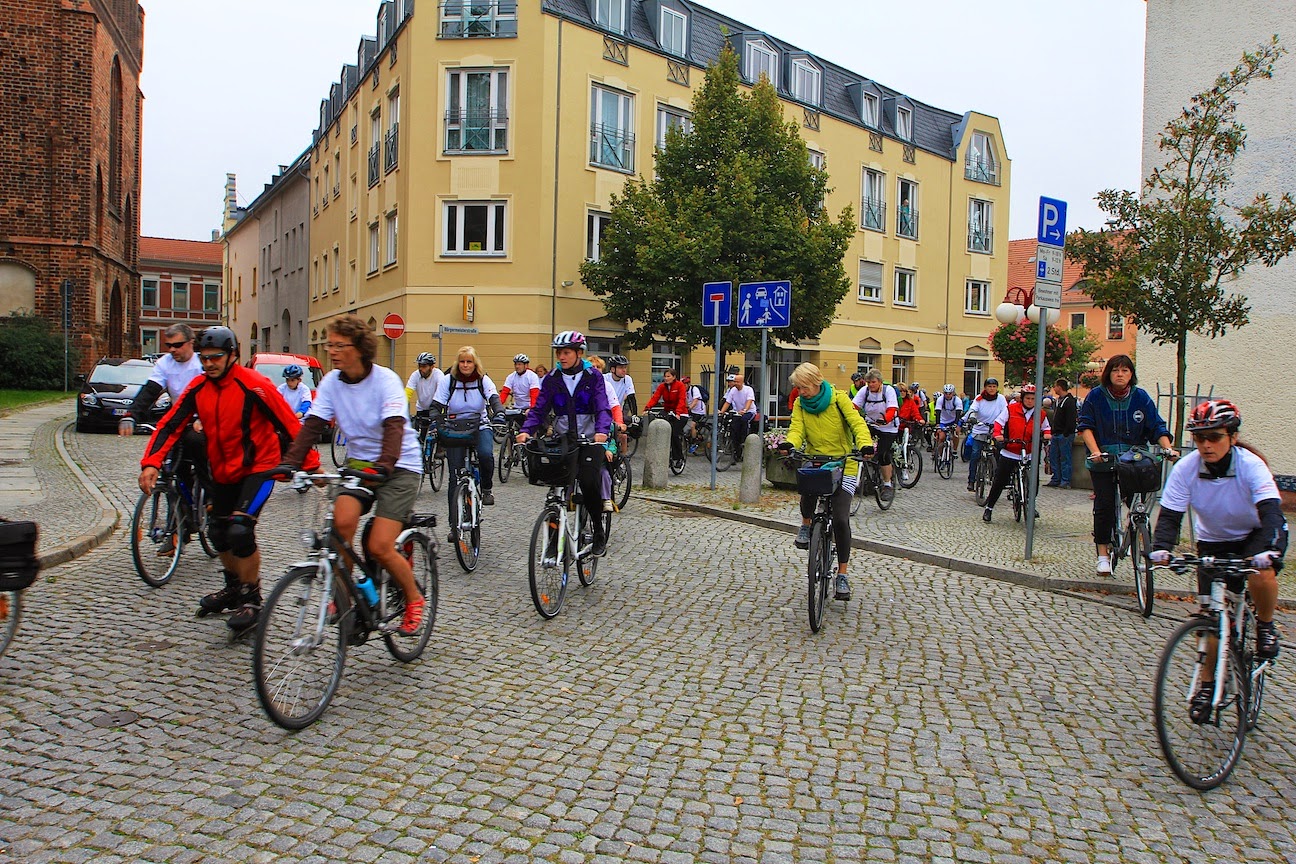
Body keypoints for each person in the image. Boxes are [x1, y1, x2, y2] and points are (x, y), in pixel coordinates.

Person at [138, 326, 319, 631]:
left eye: (216, 358)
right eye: (204, 358)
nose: (209, 364)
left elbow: (288, 423)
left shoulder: (254, 385)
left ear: (232, 355)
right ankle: (234, 585)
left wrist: (311, 465)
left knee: (239, 531)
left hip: (258, 468)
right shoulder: (198, 388)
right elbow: (170, 425)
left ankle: (251, 598)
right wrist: (151, 462)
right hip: (221, 470)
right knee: (218, 533)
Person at [276, 315, 425, 635]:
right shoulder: (331, 382)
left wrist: (385, 464)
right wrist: (290, 463)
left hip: (399, 467)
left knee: (380, 545)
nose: (332, 351)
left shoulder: (385, 380)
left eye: (339, 345)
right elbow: (313, 425)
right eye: (329, 345)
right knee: (339, 529)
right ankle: (349, 593)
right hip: (359, 466)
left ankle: (413, 600)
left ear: (359, 348)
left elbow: (394, 427)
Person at [1150, 400, 1288, 672]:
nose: (1205, 445)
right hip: (1213, 539)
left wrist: (1268, 551)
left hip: (1256, 533)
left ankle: (1265, 624)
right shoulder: (1187, 468)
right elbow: (1169, 516)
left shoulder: (1251, 465)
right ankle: (1206, 686)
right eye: (1199, 438)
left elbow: (1271, 512)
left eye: (1214, 437)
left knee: (1261, 573)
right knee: (1211, 619)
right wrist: (1162, 548)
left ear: (1233, 437)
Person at [777, 363, 873, 601]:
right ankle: (807, 524)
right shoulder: (800, 404)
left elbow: (857, 424)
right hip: (816, 460)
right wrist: (790, 444)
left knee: (840, 518)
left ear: (817, 382)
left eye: (804, 387)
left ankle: (842, 574)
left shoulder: (839, 399)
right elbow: (797, 428)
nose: (801, 392)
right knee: (807, 490)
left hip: (844, 464)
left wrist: (864, 445)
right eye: (798, 388)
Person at [1077, 354, 1176, 576]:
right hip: (1105, 460)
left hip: (1134, 460)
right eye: (1115, 370)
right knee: (1104, 506)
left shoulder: (1141, 397)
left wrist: (1167, 448)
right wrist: (1095, 451)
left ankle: (1136, 533)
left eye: (1125, 370)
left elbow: (1157, 426)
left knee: (1139, 505)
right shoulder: (1095, 397)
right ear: (1108, 374)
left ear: (1131, 374)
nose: (1120, 374)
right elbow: (1086, 427)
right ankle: (1103, 554)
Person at [517, 331, 613, 555]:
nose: (561, 357)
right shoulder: (552, 378)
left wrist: (601, 431)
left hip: (590, 439)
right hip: (564, 440)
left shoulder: (593, 376)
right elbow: (539, 409)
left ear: (579, 353)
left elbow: (602, 406)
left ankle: (598, 531)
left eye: (566, 352)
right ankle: (553, 541)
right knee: (555, 490)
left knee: (590, 481)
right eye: (559, 353)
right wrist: (525, 431)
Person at [430, 346, 503, 523]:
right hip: (454, 428)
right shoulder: (448, 381)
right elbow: (436, 405)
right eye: (462, 361)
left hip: (480, 425)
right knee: (454, 478)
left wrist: (499, 413)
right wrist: (434, 418)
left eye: (469, 361)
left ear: (475, 363)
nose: (465, 365)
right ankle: (453, 524)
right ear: (457, 363)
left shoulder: (483, 380)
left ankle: (486, 489)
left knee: (486, 454)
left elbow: (494, 398)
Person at [982, 384, 1050, 522]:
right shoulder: (1011, 409)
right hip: (1011, 450)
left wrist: (1047, 435)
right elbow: (998, 423)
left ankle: (1030, 504)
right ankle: (989, 507)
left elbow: (1046, 428)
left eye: (1033, 398)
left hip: (1029, 451)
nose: (1030, 401)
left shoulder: (1040, 413)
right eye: (1028, 398)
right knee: (1000, 481)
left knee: (1033, 481)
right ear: (1022, 398)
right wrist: (997, 435)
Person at [852, 371, 898, 502]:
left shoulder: (888, 390)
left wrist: (886, 419)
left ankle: (887, 484)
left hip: (888, 427)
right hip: (871, 423)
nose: (871, 385)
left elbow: (892, 408)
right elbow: (853, 406)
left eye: (873, 382)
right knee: (861, 446)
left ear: (879, 382)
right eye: (869, 382)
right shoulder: (864, 391)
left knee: (883, 454)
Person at [966, 378, 1009, 492]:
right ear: (985, 387)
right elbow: (973, 409)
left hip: (995, 430)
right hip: (980, 429)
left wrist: (1001, 424)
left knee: (1001, 452)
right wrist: (971, 418)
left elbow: (1005, 411)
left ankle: (1000, 477)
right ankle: (971, 480)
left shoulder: (1001, 399)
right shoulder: (979, 398)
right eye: (989, 386)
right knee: (975, 454)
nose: (992, 389)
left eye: (994, 386)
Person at [643, 368, 689, 463]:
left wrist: (678, 413)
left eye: (668, 376)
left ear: (674, 377)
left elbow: (682, 400)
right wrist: (647, 408)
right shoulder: (662, 387)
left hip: (681, 413)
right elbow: (655, 397)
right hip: (667, 410)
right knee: (658, 425)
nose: (666, 378)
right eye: (665, 376)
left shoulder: (680, 386)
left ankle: (679, 458)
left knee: (674, 434)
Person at [405, 352, 445, 441]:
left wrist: (440, 411)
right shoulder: (415, 375)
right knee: (418, 438)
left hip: (436, 408)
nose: (420, 369)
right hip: (422, 408)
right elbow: (408, 392)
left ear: (432, 367)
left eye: (424, 366)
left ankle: (439, 452)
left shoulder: (439, 375)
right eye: (419, 366)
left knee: (439, 436)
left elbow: (441, 394)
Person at [1046, 378, 1078, 489]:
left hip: (1064, 434)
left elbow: (1071, 419)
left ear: (1059, 387)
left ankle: (1065, 480)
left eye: (1055, 386)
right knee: (1054, 457)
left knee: (1065, 458)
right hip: (1056, 433)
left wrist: (1066, 432)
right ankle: (1056, 478)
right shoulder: (1058, 401)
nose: (1054, 389)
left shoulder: (1069, 401)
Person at [720, 373, 756, 461]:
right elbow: (728, 402)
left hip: (749, 412)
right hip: (738, 412)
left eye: (737, 382)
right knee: (733, 427)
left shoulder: (748, 390)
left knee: (744, 421)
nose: (735, 383)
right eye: (734, 381)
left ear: (741, 382)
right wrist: (722, 411)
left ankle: (744, 439)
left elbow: (749, 400)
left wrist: (745, 410)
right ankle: (736, 449)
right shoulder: (733, 391)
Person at [933, 384, 963, 453]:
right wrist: (938, 424)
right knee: (941, 437)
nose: (948, 395)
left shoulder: (957, 400)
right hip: (943, 421)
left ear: (953, 393)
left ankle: (955, 449)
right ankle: (940, 455)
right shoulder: (940, 399)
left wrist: (956, 424)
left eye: (950, 393)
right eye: (946, 393)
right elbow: (938, 412)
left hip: (954, 419)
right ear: (943, 393)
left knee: (956, 433)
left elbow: (958, 413)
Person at [683, 376, 707, 441]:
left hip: (699, 411)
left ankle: (693, 441)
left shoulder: (694, 389)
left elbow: (695, 401)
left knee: (692, 425)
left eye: (684, 384)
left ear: (688, 384)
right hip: (692, 410)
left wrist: (689, 408)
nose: (683, 386)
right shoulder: (683, 391)